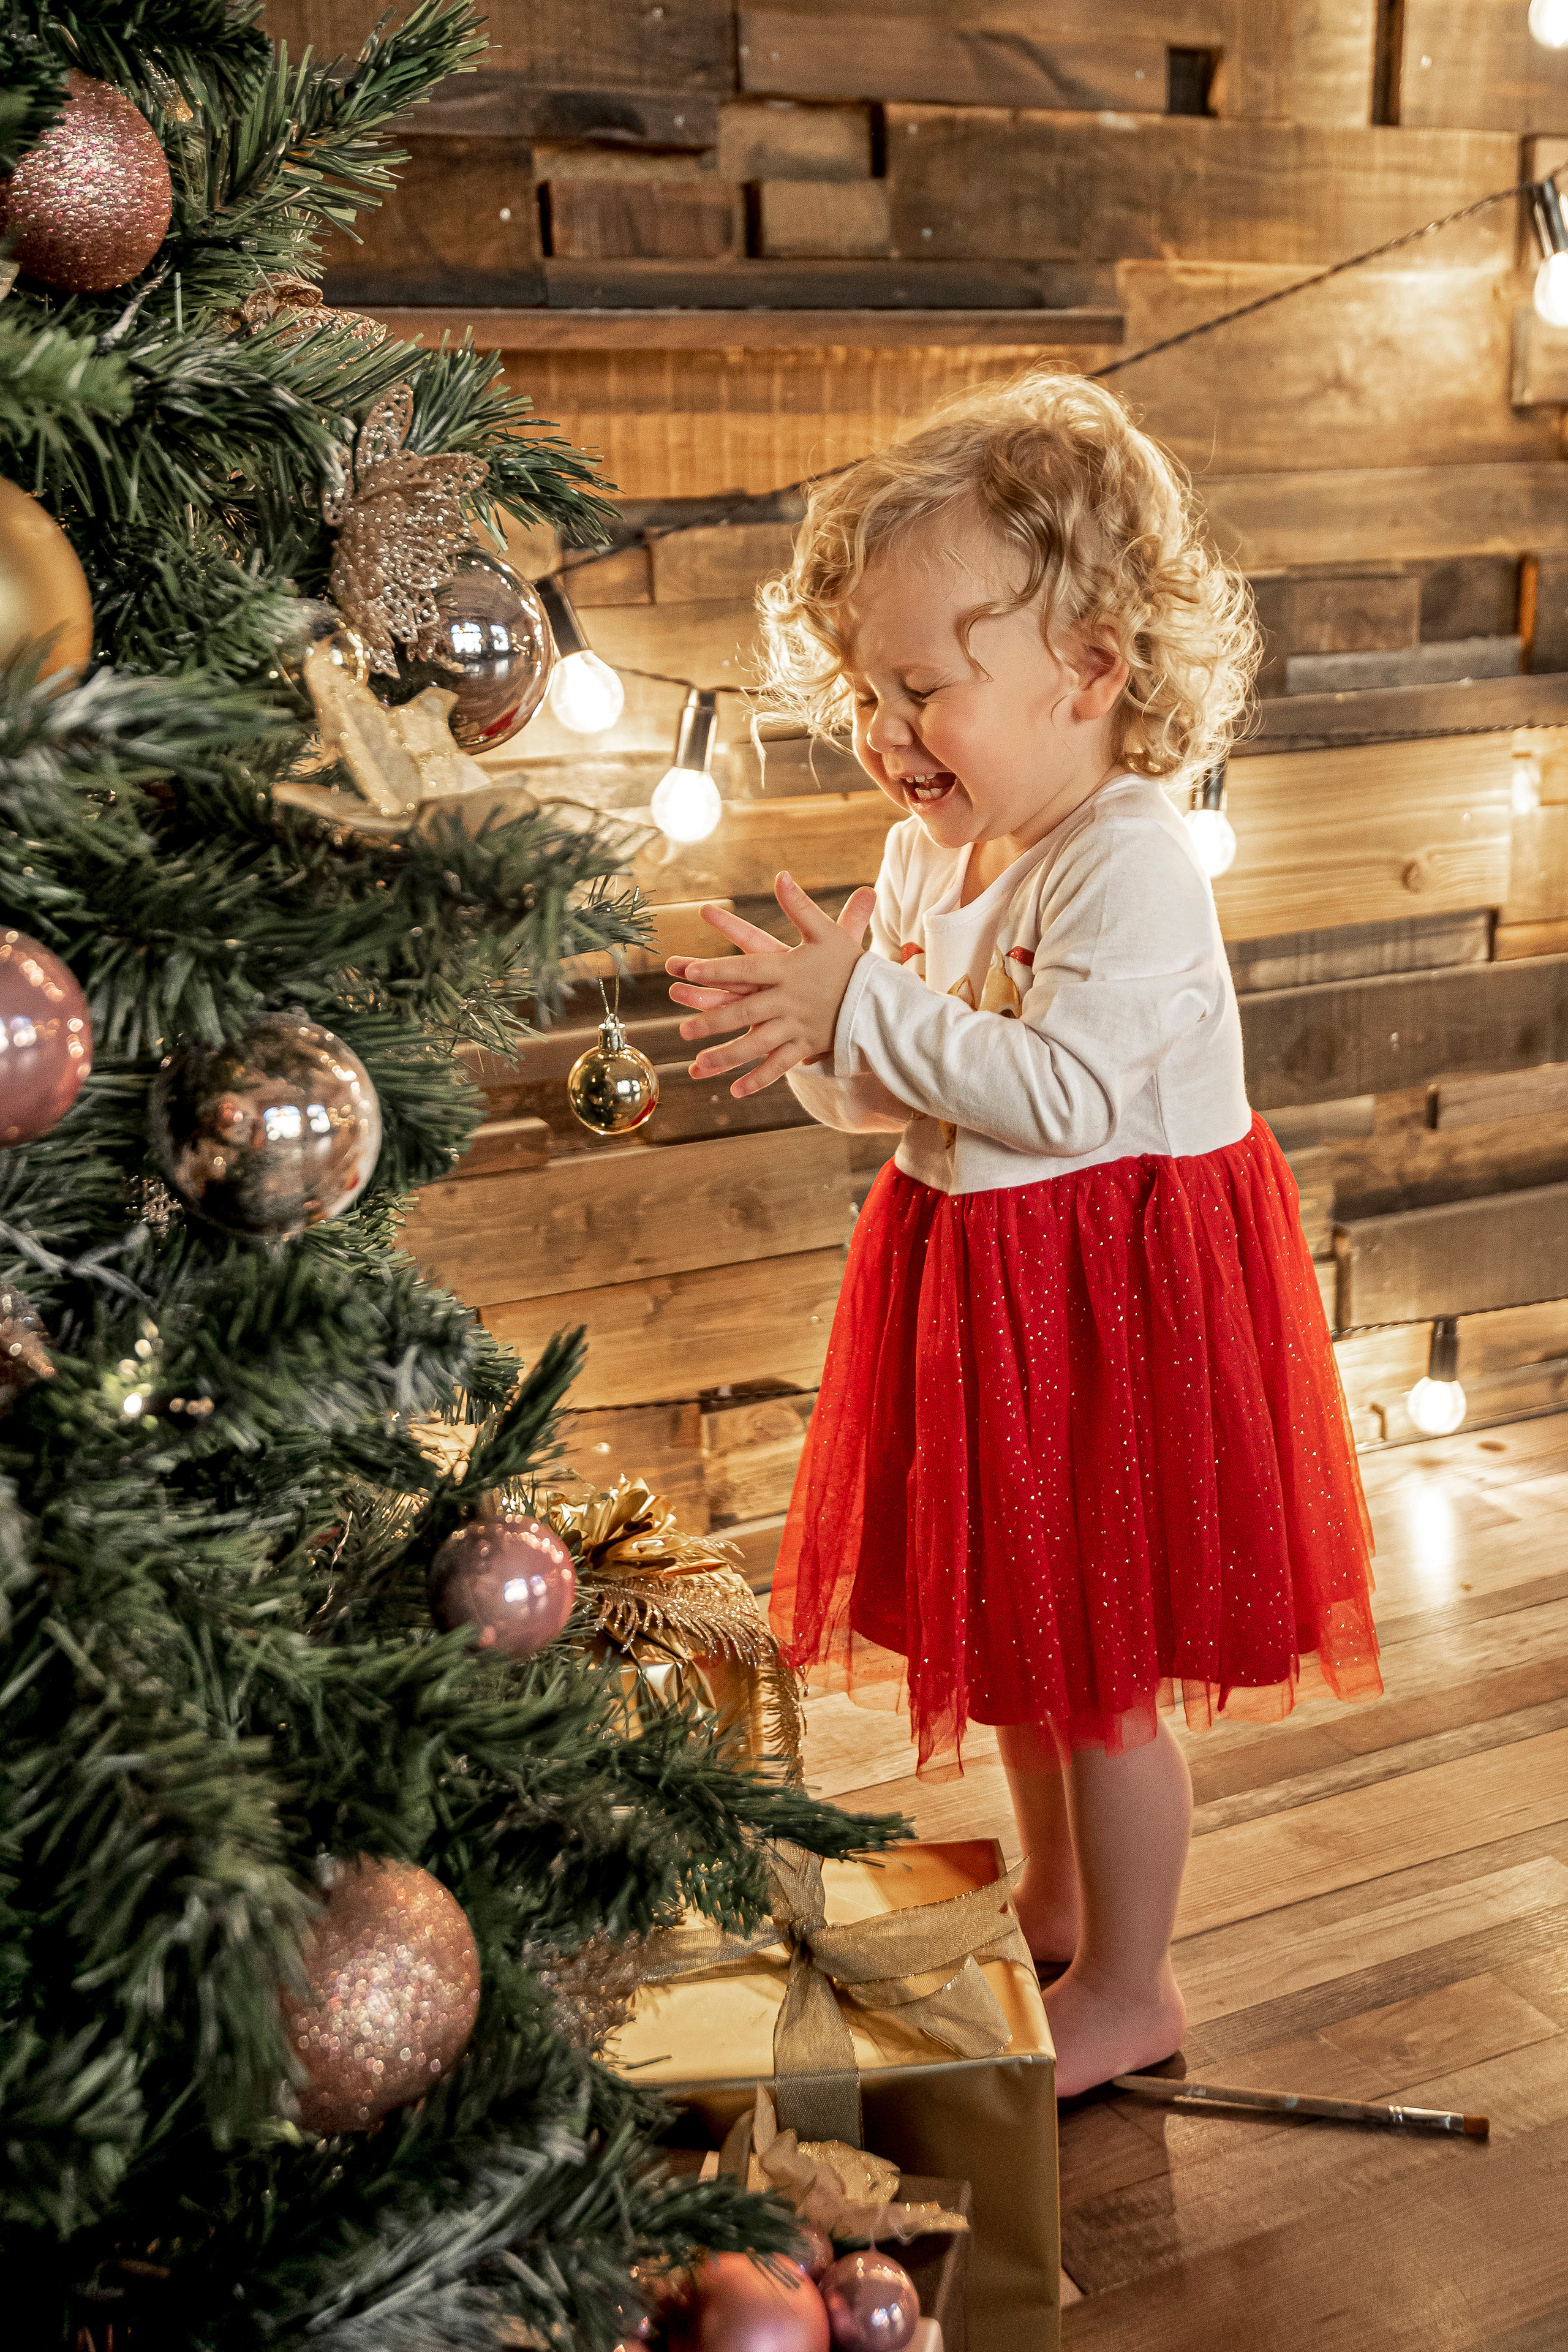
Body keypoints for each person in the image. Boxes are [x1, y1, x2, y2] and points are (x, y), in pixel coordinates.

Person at [665, 374, 1381, 2097]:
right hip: (984, 1278)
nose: (885, 727)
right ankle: (1057, 1896)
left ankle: (1136, 1977)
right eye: (861, 691)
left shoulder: (1127, 857)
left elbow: (1056, 1095)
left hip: (1117, 1291)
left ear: (1094, 670)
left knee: (1108, 1659)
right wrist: (818, 1034)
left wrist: (868, 1017)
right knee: (1018, 1630)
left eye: (922, 686)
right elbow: (913, 1088)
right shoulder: (934, 850)